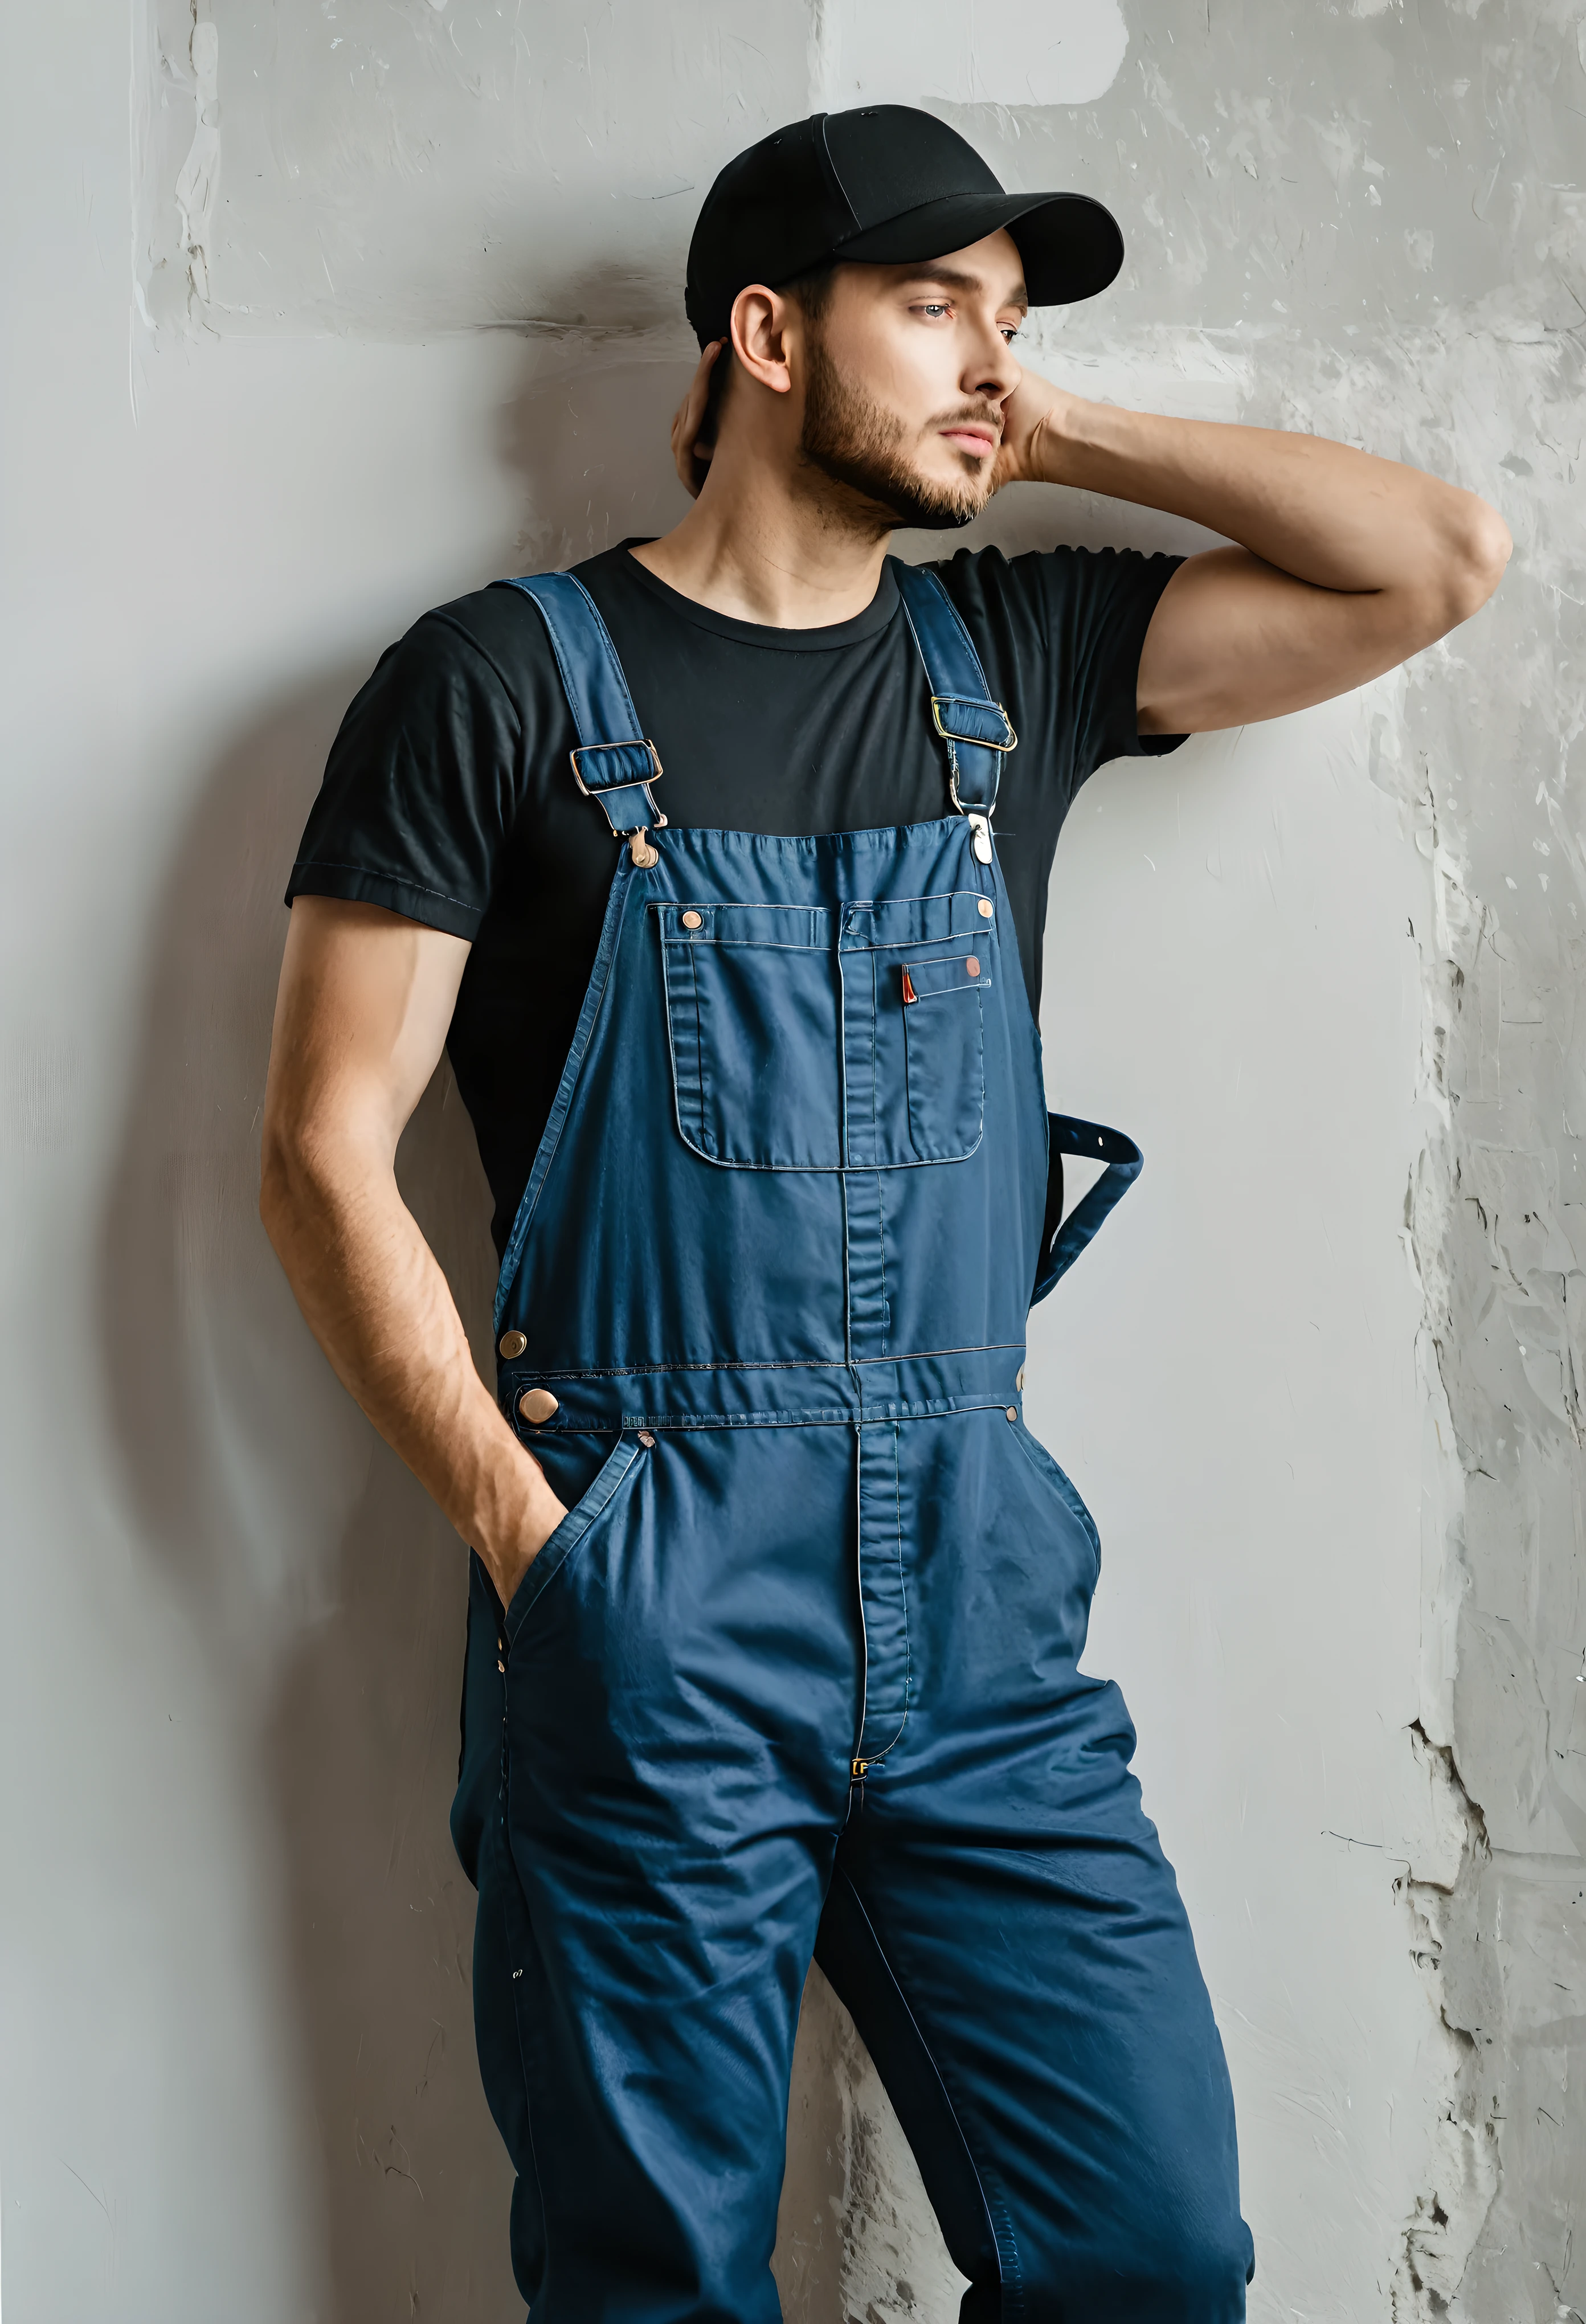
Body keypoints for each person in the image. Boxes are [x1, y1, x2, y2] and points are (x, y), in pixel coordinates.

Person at [261, 105, 1508, 2324]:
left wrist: (1057, 426)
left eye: (1011, 321)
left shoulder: (1013, 665)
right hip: (651, 1600)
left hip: (981, 1619)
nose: (986, 358)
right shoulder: (499, 689)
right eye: (934, 304)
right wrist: (544, 1553)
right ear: (763, 333)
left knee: (1144, 2250)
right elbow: (318, 1152)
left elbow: (1435, 560)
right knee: (658, 2287)